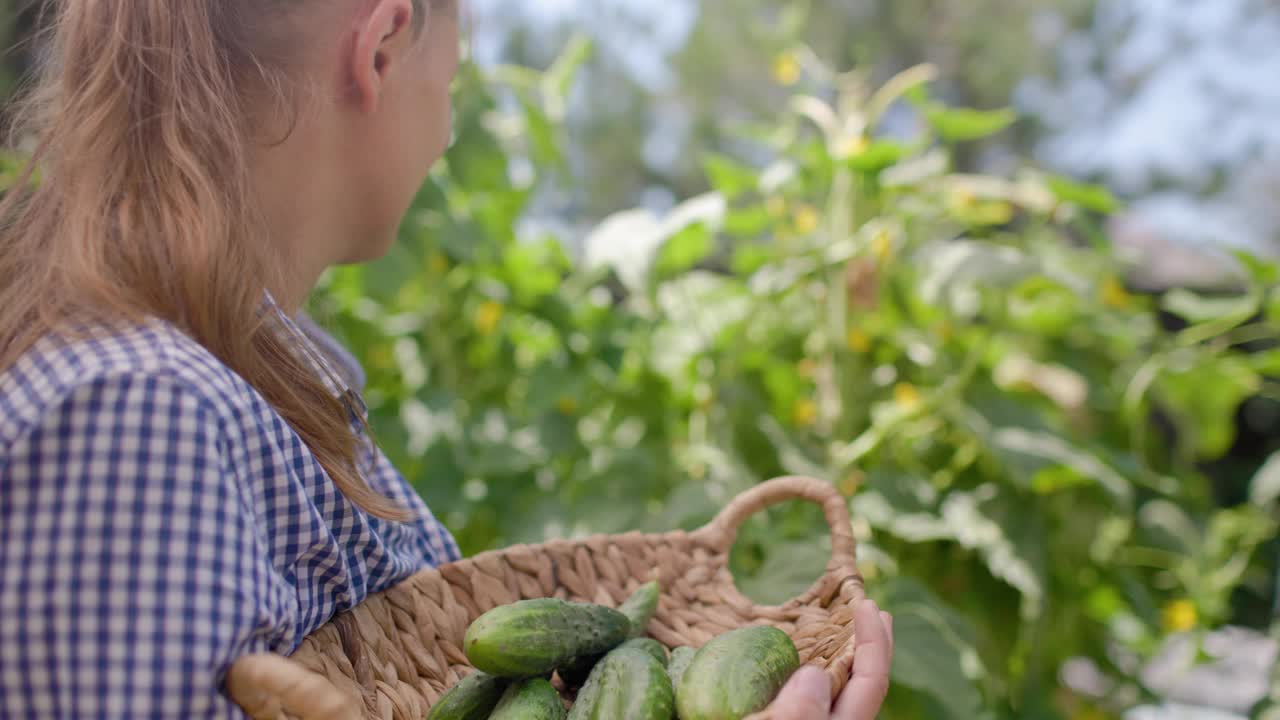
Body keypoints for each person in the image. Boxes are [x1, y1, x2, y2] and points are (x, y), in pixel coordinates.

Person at [0, 1, 892, 717]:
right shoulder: (136, 413)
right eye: (454, 82)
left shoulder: (228, 380)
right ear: (382, 45)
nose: (448, 129)